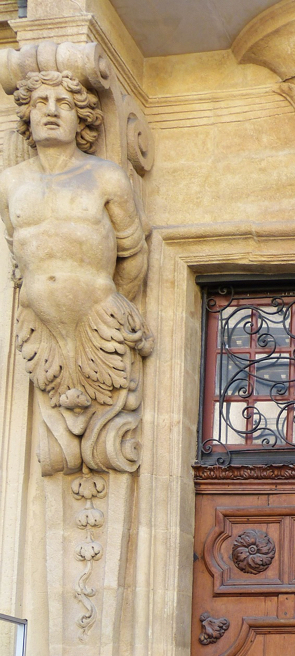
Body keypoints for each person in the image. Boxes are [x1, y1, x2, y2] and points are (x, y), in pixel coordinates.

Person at [0, 69, 153, 474]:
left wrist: (117, 303)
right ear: (27, 117)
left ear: (81, 116)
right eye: (40, 103)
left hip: (99, 321)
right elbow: (18, 250)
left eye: (64, 103)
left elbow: (133, 251)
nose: (51, 111)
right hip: (40, 323)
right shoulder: (10, 183)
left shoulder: (105, 176)